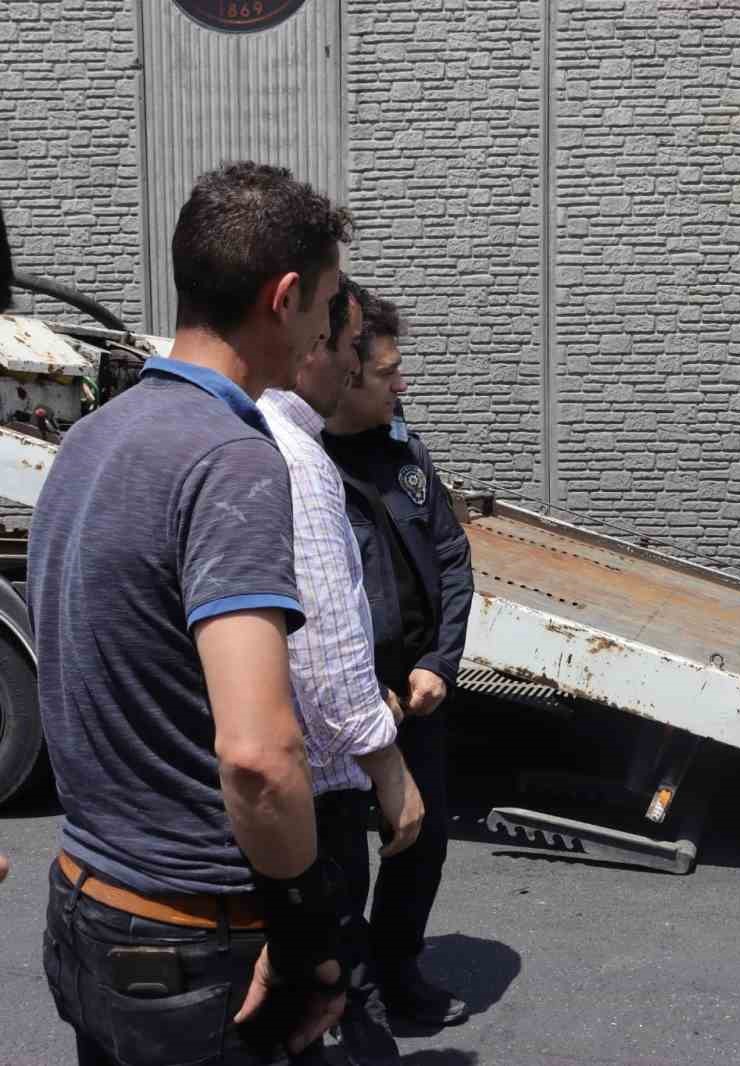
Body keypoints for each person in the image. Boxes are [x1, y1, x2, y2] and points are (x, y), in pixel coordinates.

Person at [28, 162, 352, 1065]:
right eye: (328, 304)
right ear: (283, 297)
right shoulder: (232, 460)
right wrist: (300, 942)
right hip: (194, 948)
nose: (331, 331)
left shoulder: (96, 435)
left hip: (86, 908)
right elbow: (257, 757)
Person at [258, 276, 425, 1065]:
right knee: (332, 986)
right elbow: (323, 645)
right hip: (316, 793)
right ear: (313, 343)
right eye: (356, 347)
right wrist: (388, 768)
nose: (366, 368)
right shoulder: (297, 456)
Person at [324, 287, 473, 1027]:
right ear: (347, 377)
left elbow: (451, 558)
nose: (402, 385)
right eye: (389, 373)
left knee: (425, 842)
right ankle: (349, 994)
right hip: (347, 706)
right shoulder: (304, 466)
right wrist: (362, 691)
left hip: (416, 694)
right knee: (342, 860)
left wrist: (439, 664)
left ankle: (396, 966)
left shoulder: (404, 451)